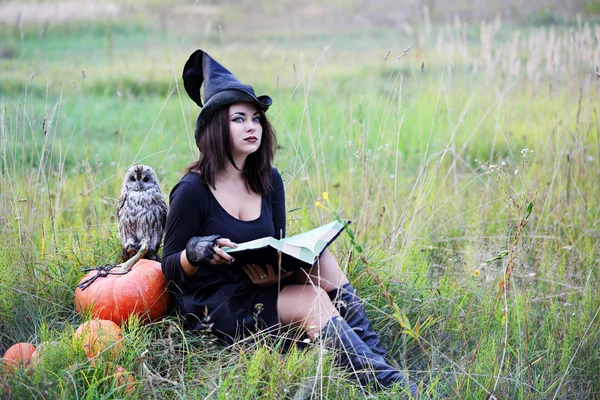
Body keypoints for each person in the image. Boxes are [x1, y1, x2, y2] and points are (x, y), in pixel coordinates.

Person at [161, 49, 419, 397]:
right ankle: (390, 387)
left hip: (258, 286)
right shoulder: (193, 190)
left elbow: (278, 245)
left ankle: (380, 367)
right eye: (239, 119)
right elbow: (169, 267)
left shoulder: (269, 180)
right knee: (311, 300)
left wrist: (279, 273)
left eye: (256, 118)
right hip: (215, 304)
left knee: (323, 259)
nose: (252, 126)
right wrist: (196, 252)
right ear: (214, 128)